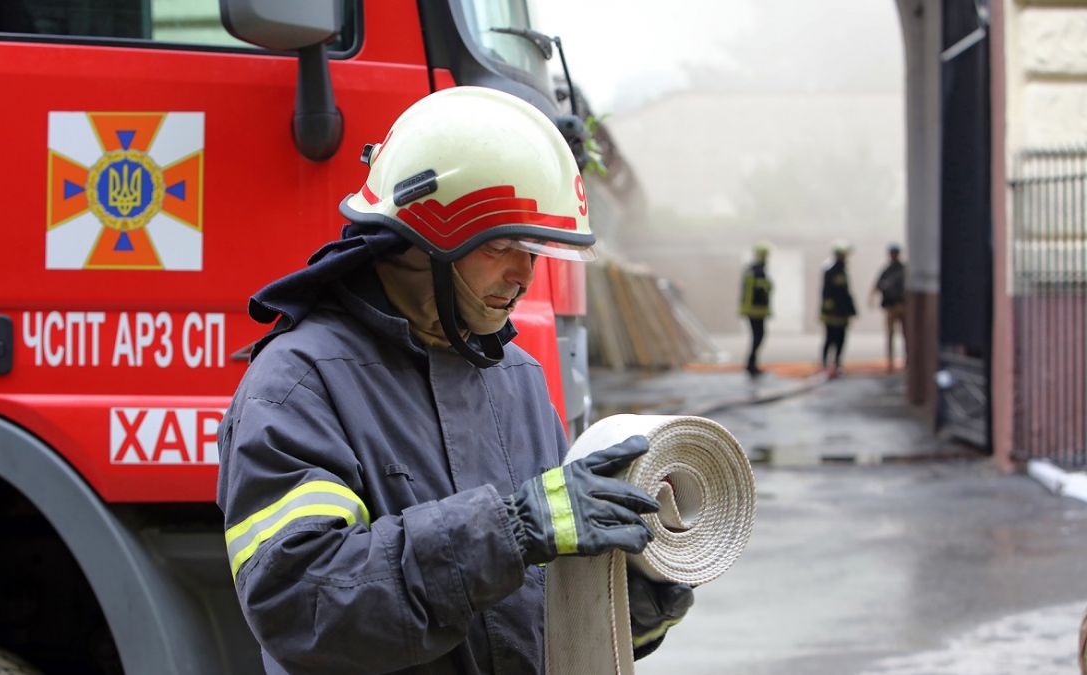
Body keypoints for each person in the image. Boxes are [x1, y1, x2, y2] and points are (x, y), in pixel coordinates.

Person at [216, 87, 693, 675]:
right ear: (421, 242)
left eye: (536, 253)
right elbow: (303, 606)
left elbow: (547, 619)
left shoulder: (516, 378)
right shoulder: (298, 384)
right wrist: (511, 531)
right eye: (500, 246)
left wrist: (647, 590)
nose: (524, 277)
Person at [820, 241, 857, 377]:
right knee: (830, 338)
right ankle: (824, 363)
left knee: (841, 338)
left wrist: (851, 309)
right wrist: (827, 309)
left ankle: (837, 363)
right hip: (832, 312)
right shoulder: (830, 271)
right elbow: (827, 292)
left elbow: (846, 293)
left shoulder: (843, 271)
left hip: (842, 312)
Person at [869, 243, 907, 373]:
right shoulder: (887, 270)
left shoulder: (903, 270)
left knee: (905, 334)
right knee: (890, 334)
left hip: (902, 305)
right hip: (891, 306)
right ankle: (890, 362)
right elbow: (877, 285)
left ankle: (907, 361)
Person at [738, 241, 773, 377]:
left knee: (758, 336)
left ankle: (752, 364)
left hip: (755, 310)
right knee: (758, 336)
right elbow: (756, 292)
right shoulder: (756, 271)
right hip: (755, 310)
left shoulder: (755, 269)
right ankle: (751, 365)